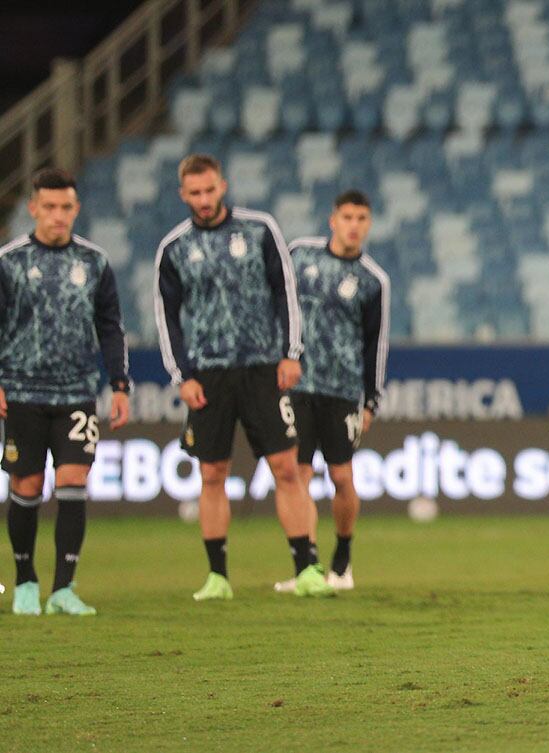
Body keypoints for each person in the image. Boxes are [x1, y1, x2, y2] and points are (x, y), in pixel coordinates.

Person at [153, 153, 333, 600]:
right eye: (194, 192)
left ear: (223, 185)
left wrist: (291, 353)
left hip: (261, 369)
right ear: (183, 195)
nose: (203, 199)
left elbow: (285, 291)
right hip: (208, 375)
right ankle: (217, 576)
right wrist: (181, 374)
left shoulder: (259, 229)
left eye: (210, 189)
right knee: (212, 473)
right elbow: (167, 318)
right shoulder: (174, 248)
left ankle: (306, 567)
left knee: (286, 468)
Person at [0, 167, 131, 616]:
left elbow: (110, 328)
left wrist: (119, 384)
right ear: (33, 208)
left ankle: (63, 588)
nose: (58, 215)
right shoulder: (9, 261)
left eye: (66, 207)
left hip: (77, 391)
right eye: (49, 207)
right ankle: (24, 581)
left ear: (76, 209)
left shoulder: (94, 262)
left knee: (73, 480)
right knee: (28, 483)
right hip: (22, 391)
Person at [273, 190, 389, 593]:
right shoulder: (300, 255)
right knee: (298, 474)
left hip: (342, 390)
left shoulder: (374, 280)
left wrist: (371, 399)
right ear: (332, 220)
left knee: (341, 475)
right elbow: (275, 304)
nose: (354, 225)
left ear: (368, 224)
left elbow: (376, 344)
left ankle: (342, 556)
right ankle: (307, 563)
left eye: (361, 218)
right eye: (347, 217)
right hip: (298, 385)